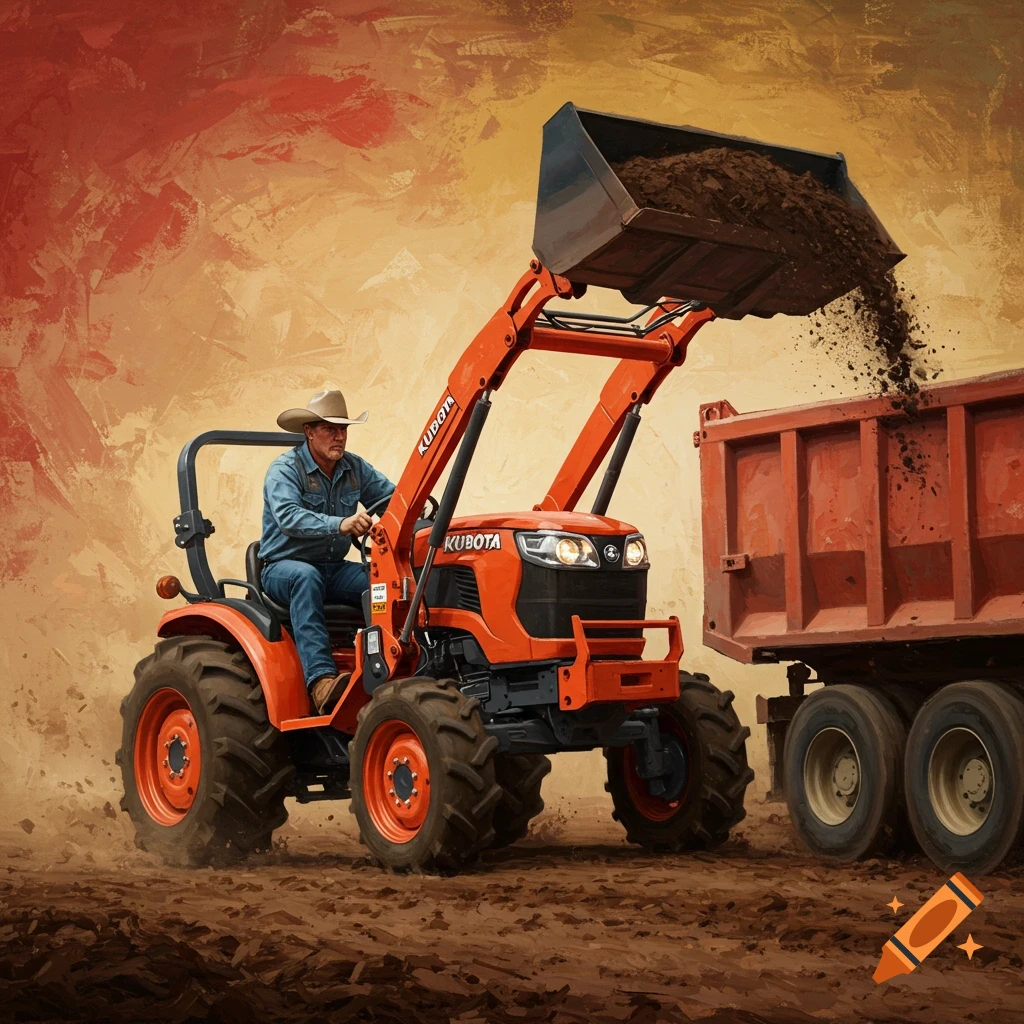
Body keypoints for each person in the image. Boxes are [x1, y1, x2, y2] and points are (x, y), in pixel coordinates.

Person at [260, 389, 395, 714]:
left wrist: (422, 520)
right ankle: (321, 682)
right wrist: (341, 524)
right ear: (309, 431)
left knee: (379, 582)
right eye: (329, 429)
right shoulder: (284, 470)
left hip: (332, 568)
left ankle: (387, 667)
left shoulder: (354, 468)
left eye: (343, 429)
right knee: (305, 578)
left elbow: (393, 500)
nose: (339, 436)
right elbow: (289, 517)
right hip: (283, 567)